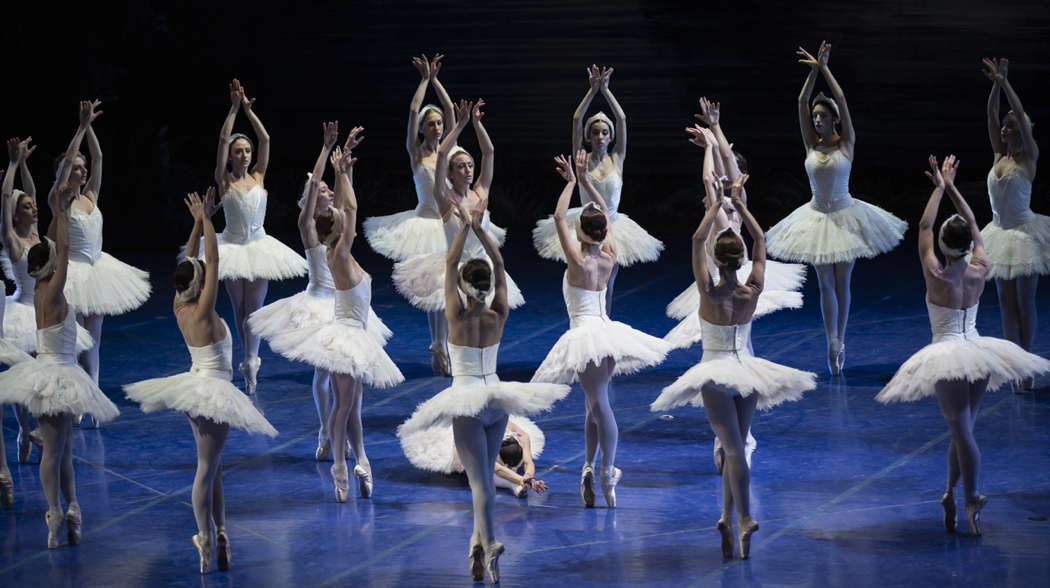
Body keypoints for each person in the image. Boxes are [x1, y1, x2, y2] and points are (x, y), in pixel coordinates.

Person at [875, 155, 1049, 535]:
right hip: (978, 352)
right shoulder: (980, 266)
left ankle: (970, 497)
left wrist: (940, 187)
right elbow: (973, 224)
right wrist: (954, 189)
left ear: (941, 241)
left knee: (962, 429)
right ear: (971, 243)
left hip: (949, 354)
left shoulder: (936, 272)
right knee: (962, 427)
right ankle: (952, 494)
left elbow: (924, 224)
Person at [398, 198, 568, 583]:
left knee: (480, 483)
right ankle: (478, 541)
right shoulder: (499, 313)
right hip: (497, 398)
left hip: (467, 398)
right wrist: (482, 232)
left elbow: (448, 264)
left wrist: (463, 228)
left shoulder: (456, 316)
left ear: (462, 285)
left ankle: (488, 542)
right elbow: (502, 266)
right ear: (489, 286)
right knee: (490, 478)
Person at [651, 172, 816, 559]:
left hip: (716, 372)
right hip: (748, 372)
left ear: (716, 259)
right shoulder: (753, 288)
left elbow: (696, 241)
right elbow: (760, 240)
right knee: (737, 447)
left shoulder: (707, 289)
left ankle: (734, 517)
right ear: (741, 260)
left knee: (733, 448)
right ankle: (735, 517)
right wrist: (739, 205)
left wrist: (713, 209)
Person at [124, 189, 277, 572]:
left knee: (214, 465)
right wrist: (208, 220)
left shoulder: (179, 305)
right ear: (200, 283)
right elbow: (212, 257)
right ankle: (204, 538)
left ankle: (220, 531)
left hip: (194, 386)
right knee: (206, 469)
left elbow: (191, 261)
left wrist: (195, 222)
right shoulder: (205, 310)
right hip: (212, 391)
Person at [0, 102, 120, 547]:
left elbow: (52, 217)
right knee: (56, 451)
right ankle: (55, 510)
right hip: (52, 373)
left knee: (64, 451)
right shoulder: (49, 285)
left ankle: (71, 507)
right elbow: (59, 236)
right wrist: (80, 130)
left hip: (67, 373)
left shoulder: (55, 285)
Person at [531, 151, 670, 507]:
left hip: (586, 334)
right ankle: (589, 466)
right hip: (605, 331)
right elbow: (603, 213)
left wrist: (571, 183)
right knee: (592, 406)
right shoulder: (608, 255)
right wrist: (586, 182)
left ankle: (608, 471)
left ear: (582, 230)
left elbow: (560, 215)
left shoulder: (577, 260)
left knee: (600, 404)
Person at [267, 141, 403, 501]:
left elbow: (345, 207)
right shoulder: (334, 247)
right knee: (343, 403)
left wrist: (345, 171)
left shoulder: (341, 247)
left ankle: (360, 459)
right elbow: (350, 208)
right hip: (342, 329)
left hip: (354, 328)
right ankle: (339, 463)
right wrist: (331, 159)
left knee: (353, 404)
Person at [248, 123, 390, 461]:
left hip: (345, 304)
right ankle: (326, 427)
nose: (327, 191)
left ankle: (339, 428)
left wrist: (346, 162)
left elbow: (348, 203)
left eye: (328, 189)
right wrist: (326, 150)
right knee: (323, 372)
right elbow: (315, 186)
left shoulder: (336, 224)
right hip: (319, 303)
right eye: (322, 190)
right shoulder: (308, 227)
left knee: (346, 371)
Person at [765, 42, 906, 375]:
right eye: (814, 116)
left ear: (834, 120)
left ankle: (841, 339)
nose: (816, 120)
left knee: (843, 283)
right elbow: (801, 101)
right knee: (824, 282)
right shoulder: (810, 144)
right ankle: (831, 343)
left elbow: (841, 100)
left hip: (846, 216)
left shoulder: (846, 143)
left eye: (822, 116)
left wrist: (826, 68)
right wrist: (812, 73)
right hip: (815, 218)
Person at [362, 55, 468, 374]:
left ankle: (443, 344)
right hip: (424, 223)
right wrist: (424, 81)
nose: (436, 127)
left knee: (448, 285)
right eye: (430, 123)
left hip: (447, 222)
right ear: (422, 128)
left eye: (438, 123)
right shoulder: (416, 152)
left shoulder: (451, 150)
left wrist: (437, 79)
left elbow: (451, 112)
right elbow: (411, 111)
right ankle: (438, 344)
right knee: (433, 286)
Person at [532, 65, 663, 312]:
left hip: (612, 224)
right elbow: (576, 119)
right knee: (583, 275)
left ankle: (605, 321)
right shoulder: (582, 158)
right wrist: (592, 91)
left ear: (610, 136)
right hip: (583, 223)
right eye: (595, 133)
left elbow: (622, 119)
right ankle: (583, 316)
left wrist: (607, 91)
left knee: (608, 281)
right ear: (588, 136)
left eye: (604, 132)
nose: (600, 136)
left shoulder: (617, 159)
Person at [391, 99, 524, 339]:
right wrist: (460, 125)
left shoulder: (480, 192)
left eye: (470, 166)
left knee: (488, 318)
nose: (468, 170)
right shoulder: (445, 199)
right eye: (461, 167)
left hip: (483, 265)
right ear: (451, 174)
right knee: (459, 320)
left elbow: (489, 152)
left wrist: (476, 123)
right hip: (458, 266)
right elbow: (442, 154)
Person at [211, 79, 308, 394]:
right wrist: (233, 110)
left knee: (254, 307)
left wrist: (249, 113)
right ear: (230, 156)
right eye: (238, 151)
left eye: (247, 151)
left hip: (259, 246)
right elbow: (224, 137)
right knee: (238, 307)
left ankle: (252, 360)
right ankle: (246, 355)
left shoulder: (258, 176)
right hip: (231, 247)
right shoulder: (224, 181)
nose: (244, 155)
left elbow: (265, 139)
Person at [60, 100, 151, 427]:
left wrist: (91, 129)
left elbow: (98, 158)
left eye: (83, 169)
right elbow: (69, 163)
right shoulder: (59, 199)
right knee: (73, 340)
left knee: (94, 340)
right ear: (66, 171)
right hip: (71, 273)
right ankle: (75, 398)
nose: (82, 172)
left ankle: (94, 395)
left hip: (98, 271)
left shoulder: (91, 196)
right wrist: (80, 128)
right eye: (76, 168)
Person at [3, 137, 92, 461]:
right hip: (22, 310)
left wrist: (24, 164)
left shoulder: (37, 232)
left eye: (32, 205)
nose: (34, 208)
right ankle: (23, 431)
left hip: (43, 308)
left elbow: (34, 194)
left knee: (42, 374)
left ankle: (40, 430)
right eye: (26, 207)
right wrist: (12, 166)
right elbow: (6, 201)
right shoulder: (12, 239)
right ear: (15, 215)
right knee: (23, 380)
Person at [978, 57, 1047, 391]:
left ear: (1021, 130)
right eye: (1003, 127)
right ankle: (1012, 364)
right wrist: (995, 85)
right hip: (998, 233)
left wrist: (1006, 83)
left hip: (1024, 235)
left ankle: (1027, 364)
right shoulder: (998, 154)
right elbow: (991, 116)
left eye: (1010, 126)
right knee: (1005, 302)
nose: (1004, 129)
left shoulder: (1028, 157)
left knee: (1024, 300)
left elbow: (1017, 114)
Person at [400, 416, 550, 498]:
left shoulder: (523, 437)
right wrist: (520, 480)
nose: (510, 468)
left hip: (491, 429)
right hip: (465, 440)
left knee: (509, 472)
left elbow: (528, 462)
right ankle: (513, 485)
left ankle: (515, 484)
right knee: (481, 473)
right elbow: (497, 469)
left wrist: (530, 479)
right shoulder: (483, 444)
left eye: (513, 467)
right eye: (508, 465)